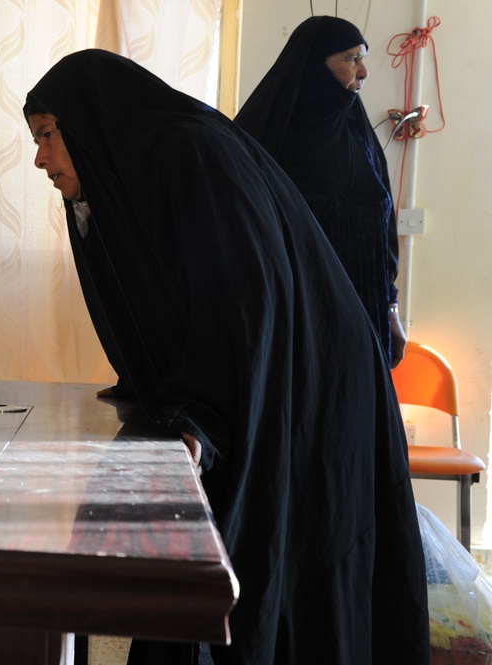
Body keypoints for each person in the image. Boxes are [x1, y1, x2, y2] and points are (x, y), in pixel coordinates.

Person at [24, 50, 428, 664]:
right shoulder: (122, 175)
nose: (40, 158)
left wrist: (196, 413)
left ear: (92, 119)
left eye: (48, 135)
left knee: (288, 559)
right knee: (227, 567)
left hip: (313, 378)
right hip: (260, 367)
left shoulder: (186, 153)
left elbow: (244, 295)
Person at [234, 16, 406, 368]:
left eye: (363, 58)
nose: (364, 72)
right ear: (314, 65)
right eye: (351, 59)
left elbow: (383, 223)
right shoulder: (266, 137)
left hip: (363, 319)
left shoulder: (358, 134)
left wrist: (391, 308)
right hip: (296, 327)